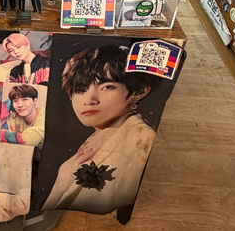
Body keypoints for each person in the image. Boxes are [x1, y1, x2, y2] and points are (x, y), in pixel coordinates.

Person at [42, 44, 161, 214]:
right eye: (81, 89)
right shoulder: (98, 137)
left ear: (139, 91)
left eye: (107, 87)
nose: (90, 100)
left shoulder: (139, 136)